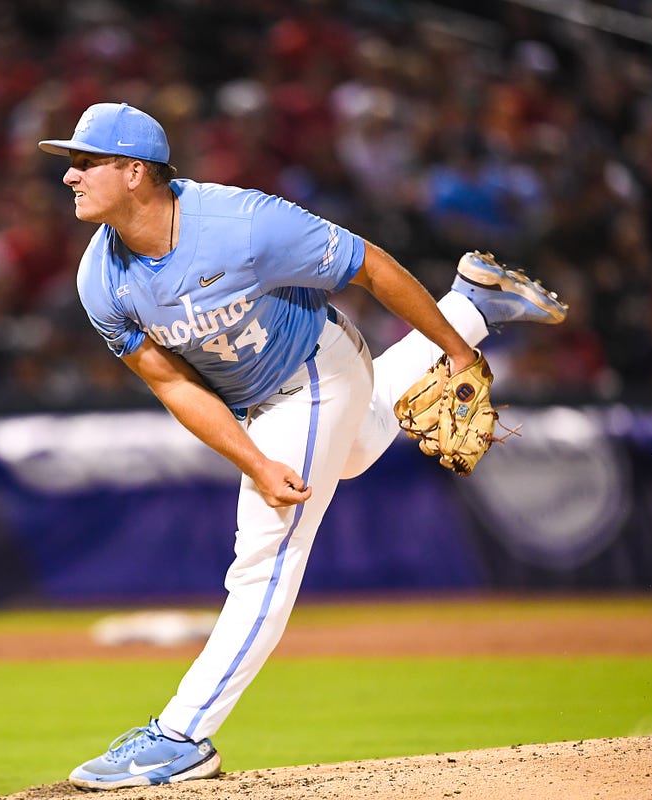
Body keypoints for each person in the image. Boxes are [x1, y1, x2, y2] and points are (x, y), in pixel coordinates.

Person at [37, 102, 567, 790]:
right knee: (357, 449)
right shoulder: (101, 280)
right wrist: (254, 460)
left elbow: (369, 267)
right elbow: (173, 386)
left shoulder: (242, 224)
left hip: (314, 369)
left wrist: (456, 355)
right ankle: (478, 300)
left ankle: (181, 735)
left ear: (134, 172)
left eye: (84, 161)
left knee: (265, 557)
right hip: (260, 403)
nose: (71, 176)